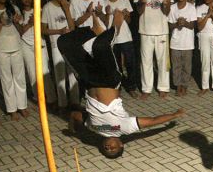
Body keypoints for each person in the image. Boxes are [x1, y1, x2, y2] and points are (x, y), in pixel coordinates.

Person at [59, 12, 184, 158]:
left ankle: (91, 31)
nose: (109, 148)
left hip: (88, 80)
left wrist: (72, 129)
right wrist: (174, 115)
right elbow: (152, 121)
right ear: (121, 144)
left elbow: (75, 115)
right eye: (113, 149)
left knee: (64, 42)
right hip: (109, 81)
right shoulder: (123, 128)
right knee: (100, 45)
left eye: (106, 150)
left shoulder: (92, 127)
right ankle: (116, 26)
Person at [133, 0, 173, 98]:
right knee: (146, 61)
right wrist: (142, 3)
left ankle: (163, 87)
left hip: (162, 30)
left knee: (162, 61)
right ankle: (146, 89)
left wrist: (166, 5)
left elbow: (167, 12)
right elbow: (138, 12)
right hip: (145, 30)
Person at [41, 0, 78, 109]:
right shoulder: (47, 8)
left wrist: (67, 10)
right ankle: (63, 104)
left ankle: (75, 102)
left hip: (70, 44)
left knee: (72, 74)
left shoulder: (69, 5)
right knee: (60, 76)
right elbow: (43, 29)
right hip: (56, 45)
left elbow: (73, 27)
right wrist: (58, 31)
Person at [16, 0, 52, 103]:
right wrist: (30, 23)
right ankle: (38, 98)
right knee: (32, 73)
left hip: (40, 43)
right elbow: (20, 31)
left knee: (45, 72)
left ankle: (51, 98)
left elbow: (44, 28)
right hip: (26, 44)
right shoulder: (18, 12)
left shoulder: (39, 10)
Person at [104, 0, 138, 95]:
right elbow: (105, 23)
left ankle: (132, 87)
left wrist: (126, 15)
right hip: (113, 38)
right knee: (116, 65)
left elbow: (129, 21)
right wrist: (107, 14)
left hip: (125, 37)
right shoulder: (104, 2)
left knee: (130, 62)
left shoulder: (124, 0)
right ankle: (117, 87)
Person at [168, 0, 197, 96]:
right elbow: (170, 26)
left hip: (187, 43)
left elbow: (192, 25)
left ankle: (184, 85)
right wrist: (177, 24)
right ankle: (178, 85)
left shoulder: (191, 7)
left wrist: (184, 23)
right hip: (175, 42)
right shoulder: (173, 8)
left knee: (186, 65)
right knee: (176, 65)